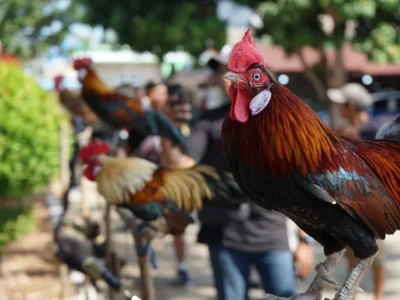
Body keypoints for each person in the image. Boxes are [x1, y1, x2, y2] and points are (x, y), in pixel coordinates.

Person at [161, 49, 315, 300]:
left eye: (235, 69)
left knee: (287, 297)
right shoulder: (209, 122)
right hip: (226, 235)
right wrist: (165, 129)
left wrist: (305, 240)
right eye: (224, 70)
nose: (227, 75)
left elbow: (301, 185)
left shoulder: (280, 123)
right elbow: (181, 166)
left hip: (272, 233)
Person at [129, 80, 193, 285]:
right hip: (148, 182)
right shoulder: (139, 121)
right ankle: (146, 269)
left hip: (174, 181)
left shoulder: (178, 115)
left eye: (161, 91)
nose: (158, 96)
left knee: (177, 225)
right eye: (154, 92)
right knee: (146, 224)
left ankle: (182, 266)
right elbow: (130, 153)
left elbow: (188, 149)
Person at [328, 83, 385, 300]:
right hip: (349, 203)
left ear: (350, 106)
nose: (339, 108)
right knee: (352, 250)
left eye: (342, 104)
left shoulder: (373, 131)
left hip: (372, 205)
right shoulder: (343, 131)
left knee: (374, 254)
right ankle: (351, 295)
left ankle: (378, 297)